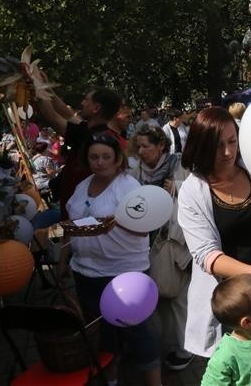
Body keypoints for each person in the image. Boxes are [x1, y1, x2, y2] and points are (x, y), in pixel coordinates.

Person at [177, 107, 251, 363]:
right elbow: (207, 257)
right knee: (245, 374)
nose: (228, 152)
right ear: (201, 146)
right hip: (234, 304)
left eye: (232, 141)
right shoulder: (192, 191)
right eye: (218, 145)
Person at [59, 132, 161, 385]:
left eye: (106, 156)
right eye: (94, 157)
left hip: (124, 274)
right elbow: (71, 226)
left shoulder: (128, 187)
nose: (100, 162)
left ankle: (155, 383)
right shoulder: (83, 186)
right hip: (86, 272)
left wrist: (115, 223)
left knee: (136, 332)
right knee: (101, 334)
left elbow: (145, 227)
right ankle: (111, 379)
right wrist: (63, 259)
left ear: (118, 159)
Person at [128, 124, 193, 371]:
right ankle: (175, 342)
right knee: (163, 296)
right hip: (148, 243)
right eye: (139, 146)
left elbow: (194, 197)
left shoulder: (179, 165)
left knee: (177, 297)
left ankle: (186, 347)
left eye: (147, 146)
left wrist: (178, 188)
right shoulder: (137, 173)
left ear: (161, 146)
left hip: (175, 242)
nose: (142, 151)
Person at [32, 82, 123, 216]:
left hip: (78, 208)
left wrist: (35, 84)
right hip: (85, 204)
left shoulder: (87, 136)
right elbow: (68, 114)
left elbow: (52, 117)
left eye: (87, 100)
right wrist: (47, 87)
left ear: (96, 108)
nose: (82, 103)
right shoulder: (99, 133)